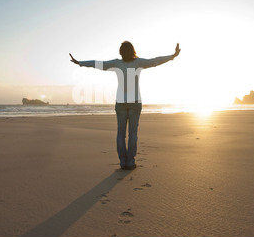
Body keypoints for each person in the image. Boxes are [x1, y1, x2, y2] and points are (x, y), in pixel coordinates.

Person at [69, 41, 181, 170]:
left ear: (120, 52)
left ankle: (123, 162)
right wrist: (172, 56)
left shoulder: (117, 63)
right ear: (133, 51)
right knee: (133, 133)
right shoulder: (138, 62)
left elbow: (98, 64)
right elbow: (155, 61)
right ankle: (131, 162)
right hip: (135, 103)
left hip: (121, 103)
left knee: (121, 133)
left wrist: (80, 63)